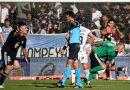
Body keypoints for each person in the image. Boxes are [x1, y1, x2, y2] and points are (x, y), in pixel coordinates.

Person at [55, 11, 82, 88]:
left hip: (74, 46)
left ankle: (62, 82)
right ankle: (79, 83)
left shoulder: (76, 23)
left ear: (70, 16)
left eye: (67, 17)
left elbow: (74, 23)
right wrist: (63, 48)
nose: (66, 18)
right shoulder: (70, 27)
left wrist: (72, 20)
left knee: (68, 63)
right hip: (72, 46)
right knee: (75, 64)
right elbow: (69, 40)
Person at [0, 22, 28, 88]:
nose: (27, 29)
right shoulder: (14, 32)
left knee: (17, 66)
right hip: (6, 51)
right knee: (9, 68)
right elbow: (15, 35)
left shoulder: (24, 39)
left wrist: (25, 58)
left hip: (12, 54)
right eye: (25, 28)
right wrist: (18, 32)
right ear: (20, 28)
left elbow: (24, 50)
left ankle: (1, 69)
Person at [71, 17, 95, 86]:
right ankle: (88, 82)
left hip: (75, 50)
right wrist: (88, 44)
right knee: (85, 66)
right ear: (83, 22)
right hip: (82, 50)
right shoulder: (86, 30)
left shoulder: (73, 29)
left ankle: (73, 82)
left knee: (73, 66)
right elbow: (93, 37)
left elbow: (67, 37)